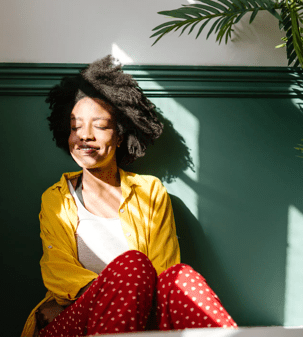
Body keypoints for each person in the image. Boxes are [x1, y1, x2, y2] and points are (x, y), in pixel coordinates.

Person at [21, 55, 237, 337]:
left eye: (99, 125)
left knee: (181, 277)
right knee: (131, 266)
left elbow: (164, 270)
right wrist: (114, 288)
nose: (85, 136)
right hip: (71, 322)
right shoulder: (56, 198)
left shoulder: (150, 191)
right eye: (75, 127)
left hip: (142, 321)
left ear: (120, 135)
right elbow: (58, 273)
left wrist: (127, 291)